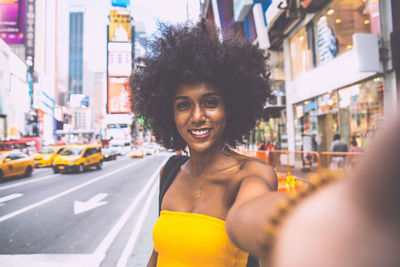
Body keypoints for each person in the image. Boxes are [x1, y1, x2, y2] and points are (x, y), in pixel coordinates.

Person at [130, 20, 277, 267]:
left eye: (210, 102)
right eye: (184, 105)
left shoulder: (251, 175)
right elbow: (158, 256)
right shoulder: (170, 171)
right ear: (170, 114)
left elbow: (252, 220)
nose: (197, 116)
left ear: (229, 108)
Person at [224, 115, 400, 267]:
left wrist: (306, 226)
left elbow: (245, 212)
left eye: (210, 103)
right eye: (193, 105)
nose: (197, 116)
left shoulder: (251, 170)